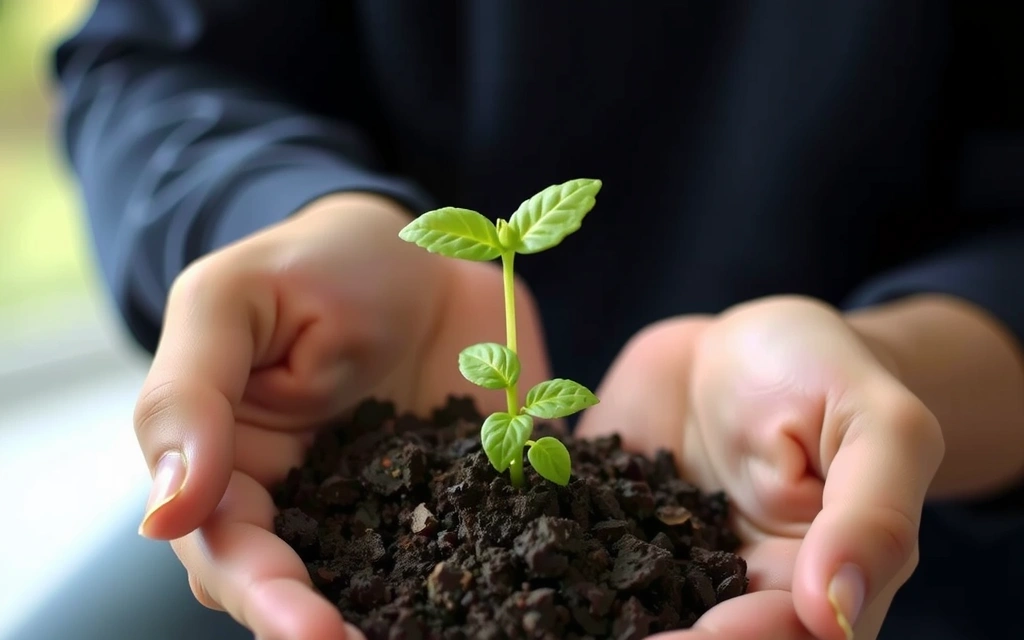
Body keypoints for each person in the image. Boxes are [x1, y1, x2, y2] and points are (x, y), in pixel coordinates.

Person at [45, 1, 1023, 639]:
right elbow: (153, 62)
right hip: (328, 434)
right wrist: (282, 209)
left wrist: (894, 369)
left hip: (911, 560)